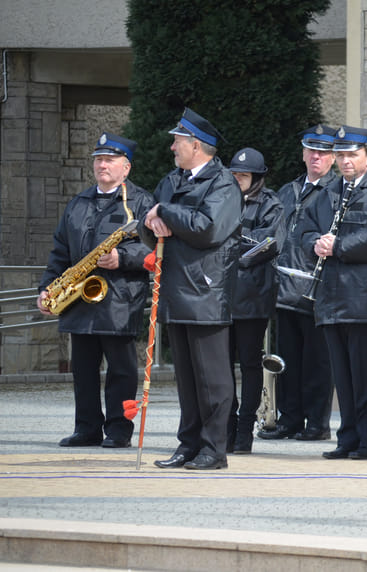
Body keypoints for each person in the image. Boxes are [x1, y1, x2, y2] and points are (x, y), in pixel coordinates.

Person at [139, 107, 242, 470]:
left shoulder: (223, 183)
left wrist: (166, 214)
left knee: (212, 378)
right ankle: (189, 444)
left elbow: (209, 227)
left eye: (177, 141)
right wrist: (153, 221)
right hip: (176, 287)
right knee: (185, 377)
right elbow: (148, 219)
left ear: (196, 145)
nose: (172, 148)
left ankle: (214, 448)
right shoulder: (173, 180)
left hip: (205, 290)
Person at [38, 133, 154, 448]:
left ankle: (118, 430)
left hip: (120, 299)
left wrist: (122, 257)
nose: (102, 165)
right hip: (80, 299)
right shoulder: (78, 202)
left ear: (126, 167)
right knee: (83, 370)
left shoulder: (141, 203)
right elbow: (60, 251)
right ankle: (86, 427)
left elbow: (154, 249)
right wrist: (47, 288)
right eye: (99, 159)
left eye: (110, 160)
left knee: (121, 369)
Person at [300, 126, 367, 460]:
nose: (346, 161)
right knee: (342, 375)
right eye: (342, 155)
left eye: (352, 155)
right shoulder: (327, 191)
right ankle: (347, 437)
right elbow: (304, 229)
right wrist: (314, 243)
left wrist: (340, 245)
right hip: (330, 297)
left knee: (364, 372)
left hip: (362, 296)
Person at [260, 125, 339, 442]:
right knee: (287, 359)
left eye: (322, 152)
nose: (316, 157)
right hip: (285, 286)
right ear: (304, 153)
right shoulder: (288, 190)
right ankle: (290, 418)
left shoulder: (336, 191)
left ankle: (317, 423)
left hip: (318, 288)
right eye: (311, 150)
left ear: (333, 157)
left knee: (318, 361)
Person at [226, 147, 285, 453]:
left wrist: (230, 248)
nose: (238, 180)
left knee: (249, 363)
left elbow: (267, 244)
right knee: (221, 366)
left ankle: (244, 429)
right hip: (221, 296)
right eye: (234, 174)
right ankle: (225, 427)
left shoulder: (271, 203)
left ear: (257, 179)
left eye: (244, 176)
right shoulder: (222, 199)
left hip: (253, 296)